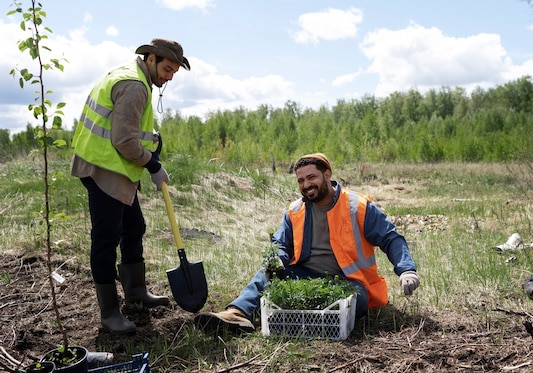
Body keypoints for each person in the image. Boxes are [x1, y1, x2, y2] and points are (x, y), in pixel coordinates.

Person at [194, 153, 421, 334]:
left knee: (354, 302)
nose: (306, 184)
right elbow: (280, 245)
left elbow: (391, 237)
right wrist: (276, 260)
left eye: (311, 177)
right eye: (301, 180)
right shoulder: (295, 211)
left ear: (327, 174)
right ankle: (238, 314)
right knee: (267, 274)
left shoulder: (357, 206)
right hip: (304, 277)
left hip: (350, 283)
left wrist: (406, 269)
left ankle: (299, 321)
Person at [71, 38, 191, 334]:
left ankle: (135, 292)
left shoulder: (131, 75)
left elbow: (129, 129)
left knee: (134, 227)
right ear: (150, 59)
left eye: (174, 71)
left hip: (115, 166)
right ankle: (110, 313)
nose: (170, 76)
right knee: (106, 239)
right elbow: (123, 140)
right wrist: (152, 164)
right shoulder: (136, 86)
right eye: (167, 68)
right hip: (104, 167)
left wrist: (153, 146)